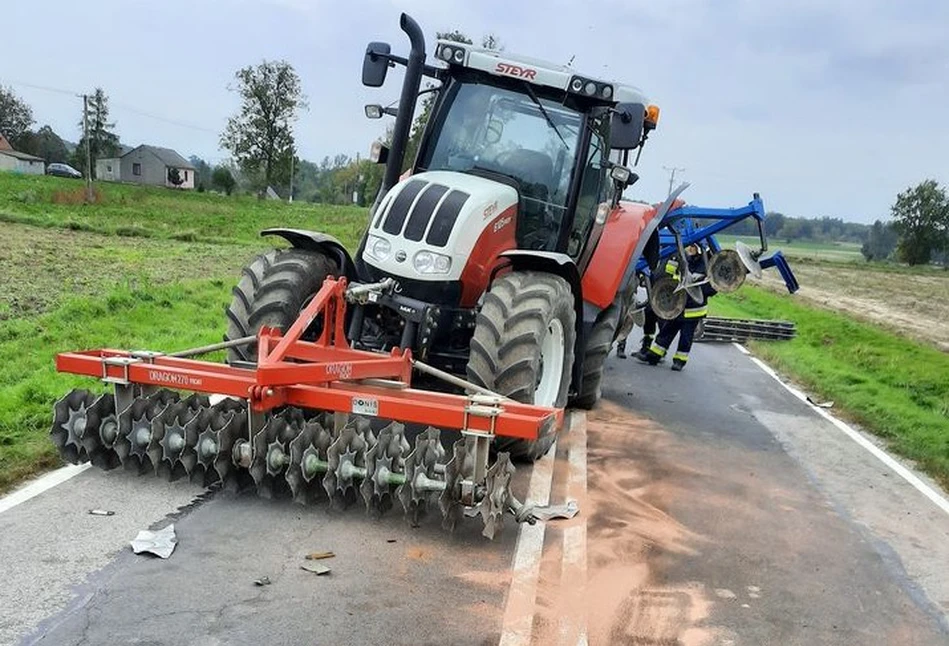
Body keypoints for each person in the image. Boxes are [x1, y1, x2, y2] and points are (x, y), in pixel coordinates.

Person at [639, 245, 716, 371]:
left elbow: (711, 288)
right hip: (678, 304)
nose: (690, 249)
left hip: (693, 310)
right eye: (689, 247)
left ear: (700, 249)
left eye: (693, 247)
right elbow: (669, 275)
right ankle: (654, 355)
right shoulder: (684, 259)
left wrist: (697, 289)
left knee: (686, 336)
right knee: (666, 331)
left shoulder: (708, 264)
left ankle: (680, 361)